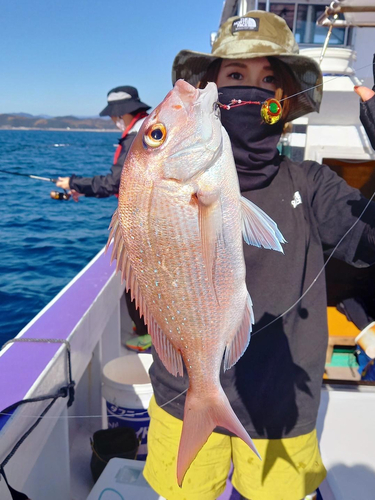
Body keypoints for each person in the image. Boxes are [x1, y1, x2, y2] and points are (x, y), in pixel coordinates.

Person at [142, 10, 375, 500]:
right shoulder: (163, 187)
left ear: (283, 102)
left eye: (269, 79)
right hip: (184, 394)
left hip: (280, 406)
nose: (251, 89)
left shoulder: (310, 183)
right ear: (211, 91)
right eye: (234, 76)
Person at [56, 86, 152, 351]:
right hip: (145, 219)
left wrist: (75, 182)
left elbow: (113, 182)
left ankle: (148, 336)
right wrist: (81, 188)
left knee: (137, 280)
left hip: (140, 225)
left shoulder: (136, 136)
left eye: (114, 115)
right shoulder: (146, 130)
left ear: (123, 113)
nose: (113, 120)